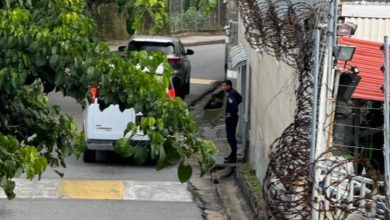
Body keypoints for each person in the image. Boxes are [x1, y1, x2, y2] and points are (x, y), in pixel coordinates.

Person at [222, 79, 242, 163]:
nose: (223, 87)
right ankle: (232, 154)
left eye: (224, 86)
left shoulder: (231, 95)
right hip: (232, 118)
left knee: (231, 137)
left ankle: (233, 157)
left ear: (228, 86)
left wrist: (230, 113)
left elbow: (234, 107)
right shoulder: (233, 92)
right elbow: (240, 99)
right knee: (230, 137)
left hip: (231, 118)